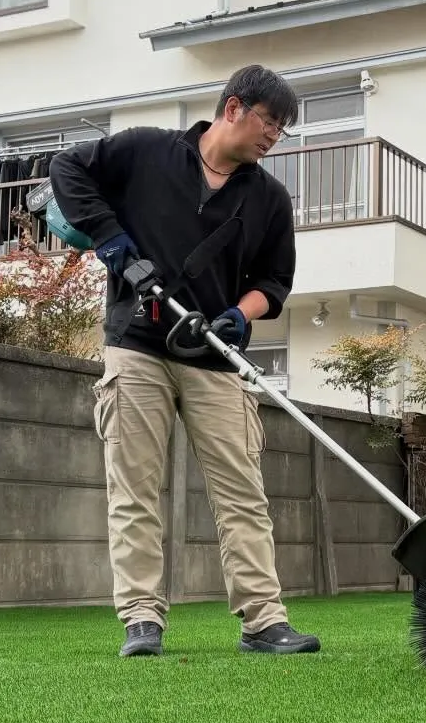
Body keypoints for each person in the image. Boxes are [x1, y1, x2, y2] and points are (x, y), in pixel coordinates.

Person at [49, 65, 321, 659]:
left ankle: (263, 621)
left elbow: (275, 280)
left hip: (214, 358)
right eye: (269, 120)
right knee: (135, 488)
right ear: (232, 108)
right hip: (137, 346)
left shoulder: (269, 198)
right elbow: (67, 167)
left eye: (282, 127)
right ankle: (142, 619)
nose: (275, 134)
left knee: (242, 491)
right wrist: (114, 243)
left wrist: (241, 316)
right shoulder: (147, 151)